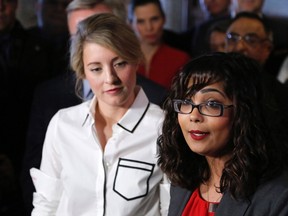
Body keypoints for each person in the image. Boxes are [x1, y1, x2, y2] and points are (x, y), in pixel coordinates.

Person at [21, 0, 168, 215]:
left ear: (136, 60)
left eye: (119, 64)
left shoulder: (163, 127)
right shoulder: (63, 124)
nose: (110, 78)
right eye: (96, 68)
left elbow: (171, 207)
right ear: (82, 72)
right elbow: (46, 204)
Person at [157, 52, 288, 215]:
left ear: (244, 113)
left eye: (211, 104)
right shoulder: (183, 182)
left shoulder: (279, 197)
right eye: (186, 102)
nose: (194, 116)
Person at [129, 0, 191, 89]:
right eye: (141, 21)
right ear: (131, 24)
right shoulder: (124, 59)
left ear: (164, 19)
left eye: (154, 19)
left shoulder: (180, 59)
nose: (149, 27)